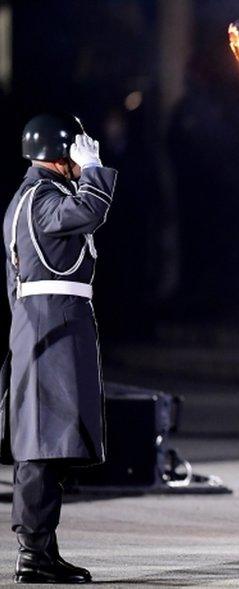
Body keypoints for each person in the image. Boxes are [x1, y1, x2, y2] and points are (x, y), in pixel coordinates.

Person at [1, 114, 117, 584]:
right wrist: (95, 173)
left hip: (51, 326)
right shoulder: (41, 200)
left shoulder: (35, 197)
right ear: (60, 153)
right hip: (51, 328)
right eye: (77, 151)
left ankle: (43, 549)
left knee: (52, 441)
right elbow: (90, 211)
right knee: (42, 443)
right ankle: (34, 552)